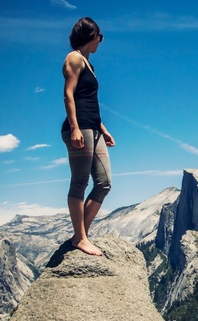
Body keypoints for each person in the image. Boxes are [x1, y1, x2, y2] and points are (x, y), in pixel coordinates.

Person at [61, 17, 115, 256]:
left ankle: (80, 234)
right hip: (79, 127)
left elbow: (89, 101)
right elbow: (69, 95)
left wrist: (103, 128)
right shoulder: (73, 58)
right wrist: (74, 128)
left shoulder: (89, 65)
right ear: (90, 36)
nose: (100, 42)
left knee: (104, 183)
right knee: (80, 182)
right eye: (98, 37)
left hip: (93, 128)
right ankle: (81, 238)